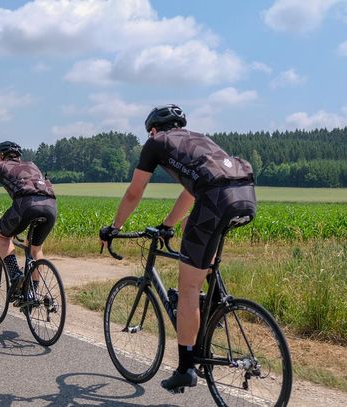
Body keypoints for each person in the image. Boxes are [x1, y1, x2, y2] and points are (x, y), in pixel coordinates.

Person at [100, 105, 256, 392]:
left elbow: (135, 192)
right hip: (244, 196)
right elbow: (190, 191)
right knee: (193, 237)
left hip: (215, 199)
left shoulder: (156, 142)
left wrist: (115, 228)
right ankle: (216, 305)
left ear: (153, 129)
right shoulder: (199, 140)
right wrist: (168, 224)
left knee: (187, 288)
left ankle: (185, 368)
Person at [0, 141, 57, 294]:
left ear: (1, 156)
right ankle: (32, 292)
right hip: (51, 207)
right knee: (35, 249)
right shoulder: (32, 165)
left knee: (1, 236)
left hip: (26, 206)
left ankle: (15, 275)